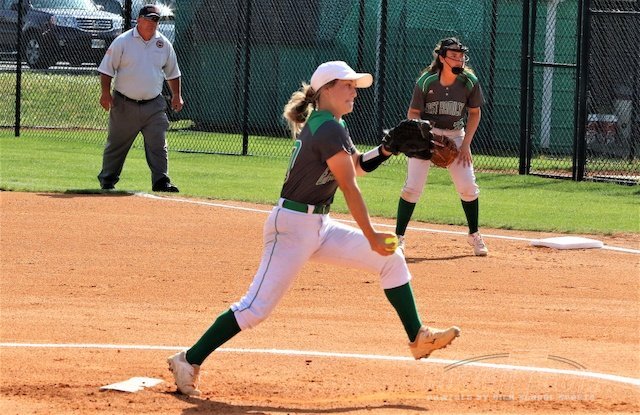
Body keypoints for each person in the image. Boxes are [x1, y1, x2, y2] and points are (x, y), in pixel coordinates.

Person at [166, 61, 460, 396]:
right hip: (292, 228)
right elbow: (349, 185)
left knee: (391, 258)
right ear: (327, 90)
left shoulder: (331, 124)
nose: (354, 92)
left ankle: (418, 338)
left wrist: (386, 149)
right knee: (254, 309)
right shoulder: (328, 128)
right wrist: (371, 236)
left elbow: (354, 166)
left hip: (317, 225)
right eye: (347, 85)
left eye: (355, 87)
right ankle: (188, 359)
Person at [395, 37, 488, 256]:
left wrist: (466, 145)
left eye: (461, 56)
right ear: (442, 58)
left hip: (456, 135)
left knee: (468, 187)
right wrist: (424, 136)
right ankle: (398, 238)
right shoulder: (426, 81)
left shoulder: (469, 81)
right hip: (426, 133)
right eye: (453, 56)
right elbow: (413, 113)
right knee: (412, 188)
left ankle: (474, 234)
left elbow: (475, 113)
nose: (459, 60)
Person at [97, 4, 183, 192]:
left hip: (154, 105)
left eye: (156, 20)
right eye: (150, 18)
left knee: (158, 144)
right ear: (139, 19)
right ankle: (108, 180)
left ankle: (161, 181)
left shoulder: (163, 44)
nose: (154, 23)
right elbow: (106, 69)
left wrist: (177, 95)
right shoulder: (123, 41)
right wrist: (105, 93)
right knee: (117, 144)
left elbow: (173, 72)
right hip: (125, 103)